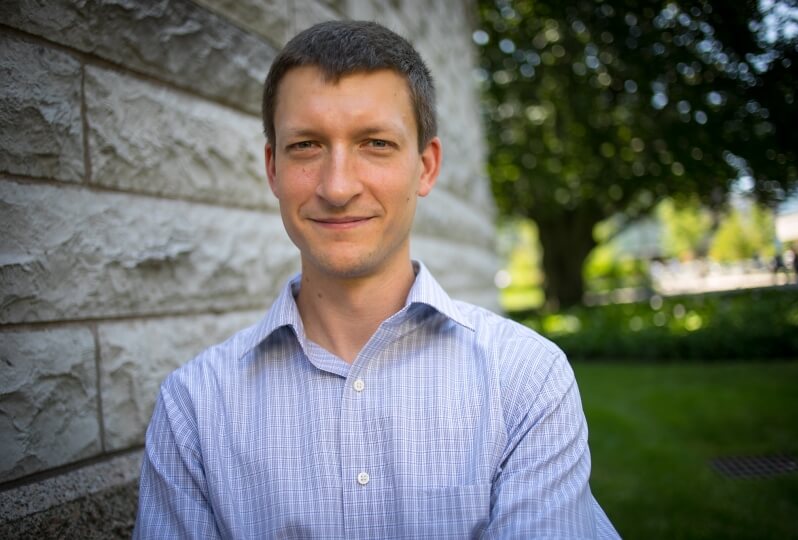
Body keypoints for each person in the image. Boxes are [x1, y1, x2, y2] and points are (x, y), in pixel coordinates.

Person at [133, 20, 619, 539]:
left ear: (426, 166)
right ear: (272, 168)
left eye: (376, 143)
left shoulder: (527, 382)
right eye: (307, 146)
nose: (338, 186)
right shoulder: (193, 408)